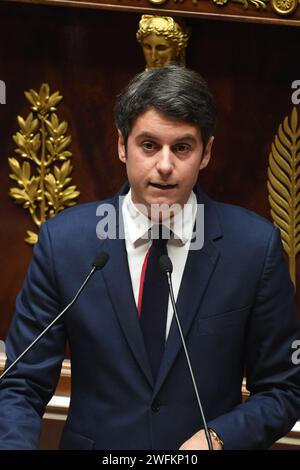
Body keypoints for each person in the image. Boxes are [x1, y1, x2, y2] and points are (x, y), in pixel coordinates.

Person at [0, 65, 300, 450]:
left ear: (206, 152)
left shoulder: (254, 248)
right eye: (148, 145)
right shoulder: (65, 243)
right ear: (122, 145)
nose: (164, 165)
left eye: (182, 148)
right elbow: (21, 383)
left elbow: (283, 388)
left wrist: (218, 438)